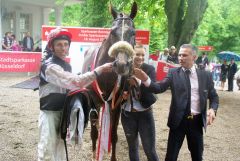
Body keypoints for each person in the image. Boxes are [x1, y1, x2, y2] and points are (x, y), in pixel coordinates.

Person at [38, 27, 112, 161]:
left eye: (66, 44)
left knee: (60, 149)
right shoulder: (49, 66)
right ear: (52, 47)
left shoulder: (66, 66)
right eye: (59, 44)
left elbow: (73, 85)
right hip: (49, 113)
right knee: (47, 150)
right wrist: (98, 70)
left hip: (62, 111)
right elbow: (76, 82)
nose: (63, 48)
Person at [134, 44, 219, 161]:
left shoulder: (206, 75)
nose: (180, 58)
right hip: (178, 122)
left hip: (197, 122)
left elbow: (214, 97)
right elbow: (159, 88)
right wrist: (145, 79)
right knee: (171, 157)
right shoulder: (173, 73)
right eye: (179, 55)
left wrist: (212, 109)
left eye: (184, 55)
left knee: (198, 156)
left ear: (194, 57)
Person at [121, 43, 159, 161]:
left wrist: (137, 82)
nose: (141, 57)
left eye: (143, 55)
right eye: (137, 54)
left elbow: (152, 89)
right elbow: (118, 88)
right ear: (132, 55)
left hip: (145, 114)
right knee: (132, 148)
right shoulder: (123, 68)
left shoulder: (150, 69)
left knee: (149, 150)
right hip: (127, 114)